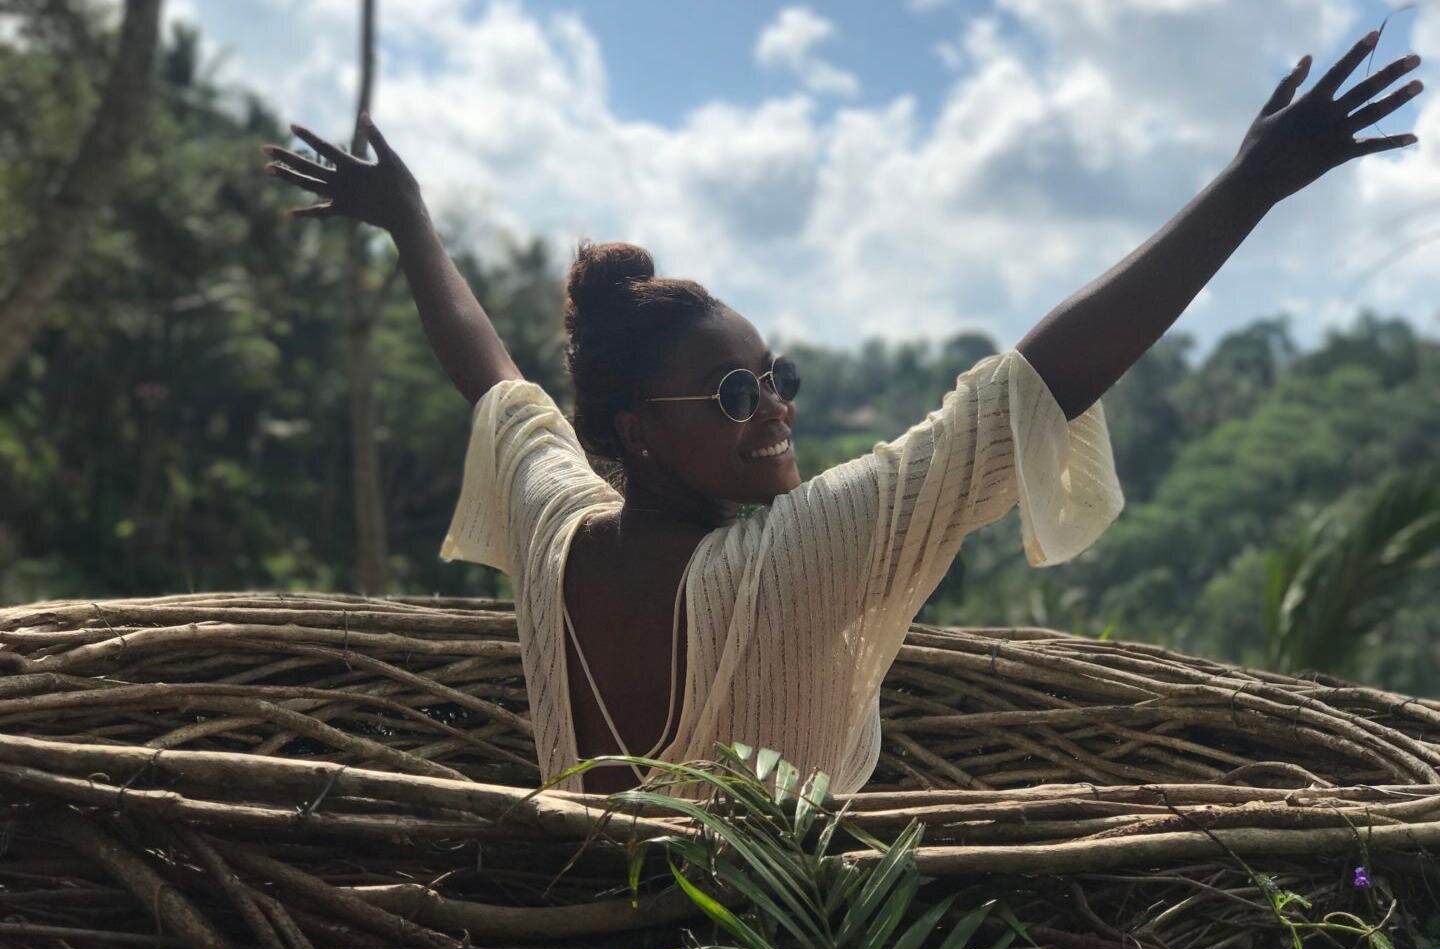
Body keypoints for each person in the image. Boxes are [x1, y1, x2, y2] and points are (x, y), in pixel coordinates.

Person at [262, 31, 1421, 796]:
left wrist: (410, 222)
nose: (774, 409)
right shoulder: (790, 561)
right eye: (734, 393)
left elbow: (493, 381)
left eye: (776, 378)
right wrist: (1248, 188)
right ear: (639, 433)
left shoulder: (554, 524)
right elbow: (1023, 392)